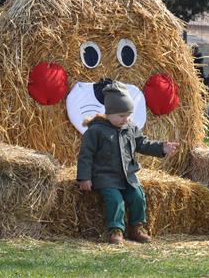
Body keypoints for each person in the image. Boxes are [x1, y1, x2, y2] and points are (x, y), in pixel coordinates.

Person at [76, 81, 179, 244]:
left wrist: (161, 148)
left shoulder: (130, 128)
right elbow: (86, 155)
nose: (126, 119)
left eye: (128, 115)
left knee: (138, 196)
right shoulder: (96, 131)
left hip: (127, 176)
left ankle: (136, 227)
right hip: (105, 177)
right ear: (109, 113)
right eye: (121, 116)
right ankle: (116, 230)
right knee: (115, 200)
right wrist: (84, 178)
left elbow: (143, 144)